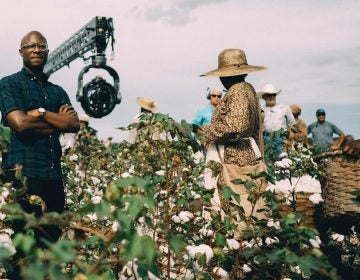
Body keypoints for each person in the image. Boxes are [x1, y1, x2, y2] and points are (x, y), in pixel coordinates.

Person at [0, 31, 80, 250]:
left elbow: (74, 125)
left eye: (41, 46)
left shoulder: (57, 91)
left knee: (51, 245)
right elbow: (20, 124)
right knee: (24, 246)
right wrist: (57, 123)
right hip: (23, 178)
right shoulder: (9, 84)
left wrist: (41, 113)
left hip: (53, 178)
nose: (36, 50)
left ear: (47, 51)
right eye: (30, 46)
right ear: (21, 52)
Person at [195, 48, 266, 222]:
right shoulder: (245, 89)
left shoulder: (239, 91)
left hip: (235, 154)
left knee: (236, 202)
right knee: (244, 200)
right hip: (242, 152)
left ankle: (236, 243)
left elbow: (236, 126)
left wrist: (204, 130)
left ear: (225, 76)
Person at [258, 83, 296, 158]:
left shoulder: (284, 108)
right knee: (268, 165)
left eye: (274, 94)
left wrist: (289, 142)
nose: (272, 97)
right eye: (269, 95)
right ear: (264, 97)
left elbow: (292, 126)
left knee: (283, 165)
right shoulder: (260, 110)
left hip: (281, 141)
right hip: (266, 141)